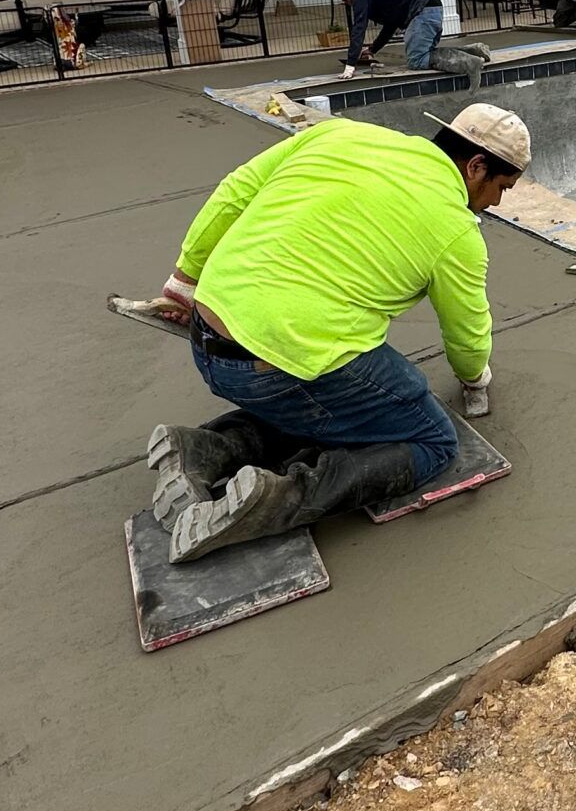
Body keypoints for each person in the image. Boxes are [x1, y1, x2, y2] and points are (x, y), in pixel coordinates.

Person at [146, 103, 531, 562]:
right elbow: (466, 333)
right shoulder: (457, 232)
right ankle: (272, 501)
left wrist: (185, 278)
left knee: (335, 403)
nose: (497, 202)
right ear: (476, 166)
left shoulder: (342, 136)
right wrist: (475, 378)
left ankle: (202, 450)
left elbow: (237, 190)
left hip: (207, 333)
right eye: (501, 187)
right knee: (429, 437)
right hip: (274, 365)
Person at [337, 0, 444, 76]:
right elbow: (390, 26)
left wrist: (351, 64)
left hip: (423, 10)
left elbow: (359, 27)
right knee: (423, 54)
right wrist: (372, 50)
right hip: (430, 8)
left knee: (417, 61)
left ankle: (457, 60)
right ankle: (455, 56)